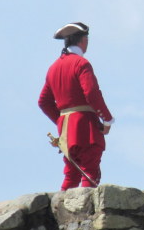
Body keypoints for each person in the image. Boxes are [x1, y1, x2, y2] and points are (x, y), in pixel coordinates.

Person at [38, 22, 114, 191]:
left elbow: (43, 101)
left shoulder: (53, 68)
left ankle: (61, 210)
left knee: (72, 173)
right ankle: (86, 213)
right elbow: (91, 93)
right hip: (85, 125)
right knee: (90, 171)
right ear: (83, 41)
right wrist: (107, 119)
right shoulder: (81, 64)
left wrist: (60, 121)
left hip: (66, 127)